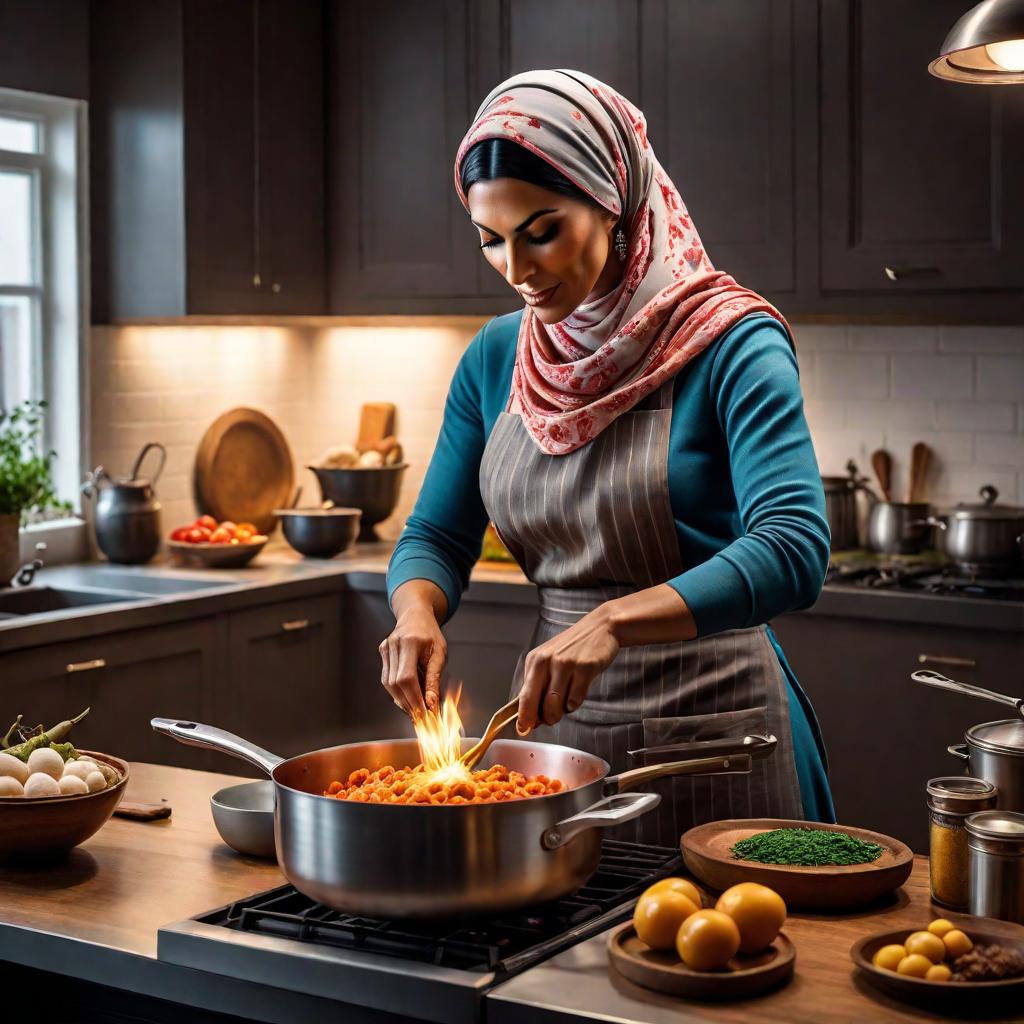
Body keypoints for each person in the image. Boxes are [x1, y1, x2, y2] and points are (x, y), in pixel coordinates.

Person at [380, 69, 834, 844]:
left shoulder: (731, 342)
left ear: (614, 199)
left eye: (542, 230)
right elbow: (437, 535)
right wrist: (415, 609)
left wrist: (616, 622)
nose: (517, 270)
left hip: (719, 734)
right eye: (491, 239)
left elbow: (794, 548)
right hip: (560, 741)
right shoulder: (496, 359)